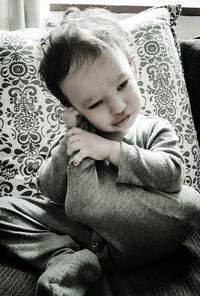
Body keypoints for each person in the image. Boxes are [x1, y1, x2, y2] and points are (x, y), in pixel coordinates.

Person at [0, 7, 200, 296]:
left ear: (134, 67)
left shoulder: (152, 128)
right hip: (88, 238)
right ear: (74, 109)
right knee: (5, 209)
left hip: (142, 228)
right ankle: (67, 257)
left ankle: (83, 228)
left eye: (122, 85)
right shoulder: (78, 137)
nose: (118, 107)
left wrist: (110, 150)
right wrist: (71, 138)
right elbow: (51, 191)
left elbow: (172, 174)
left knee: (191, 201)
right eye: (93, 104)